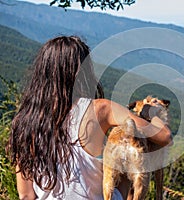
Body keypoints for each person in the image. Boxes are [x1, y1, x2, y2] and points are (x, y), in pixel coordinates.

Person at [7, 36, 172, 200]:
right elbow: (164, 136)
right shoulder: (102, 108)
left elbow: (26, 195)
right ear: (83, 71)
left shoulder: (24, 121)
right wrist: (152, 112)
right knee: (127, 154)